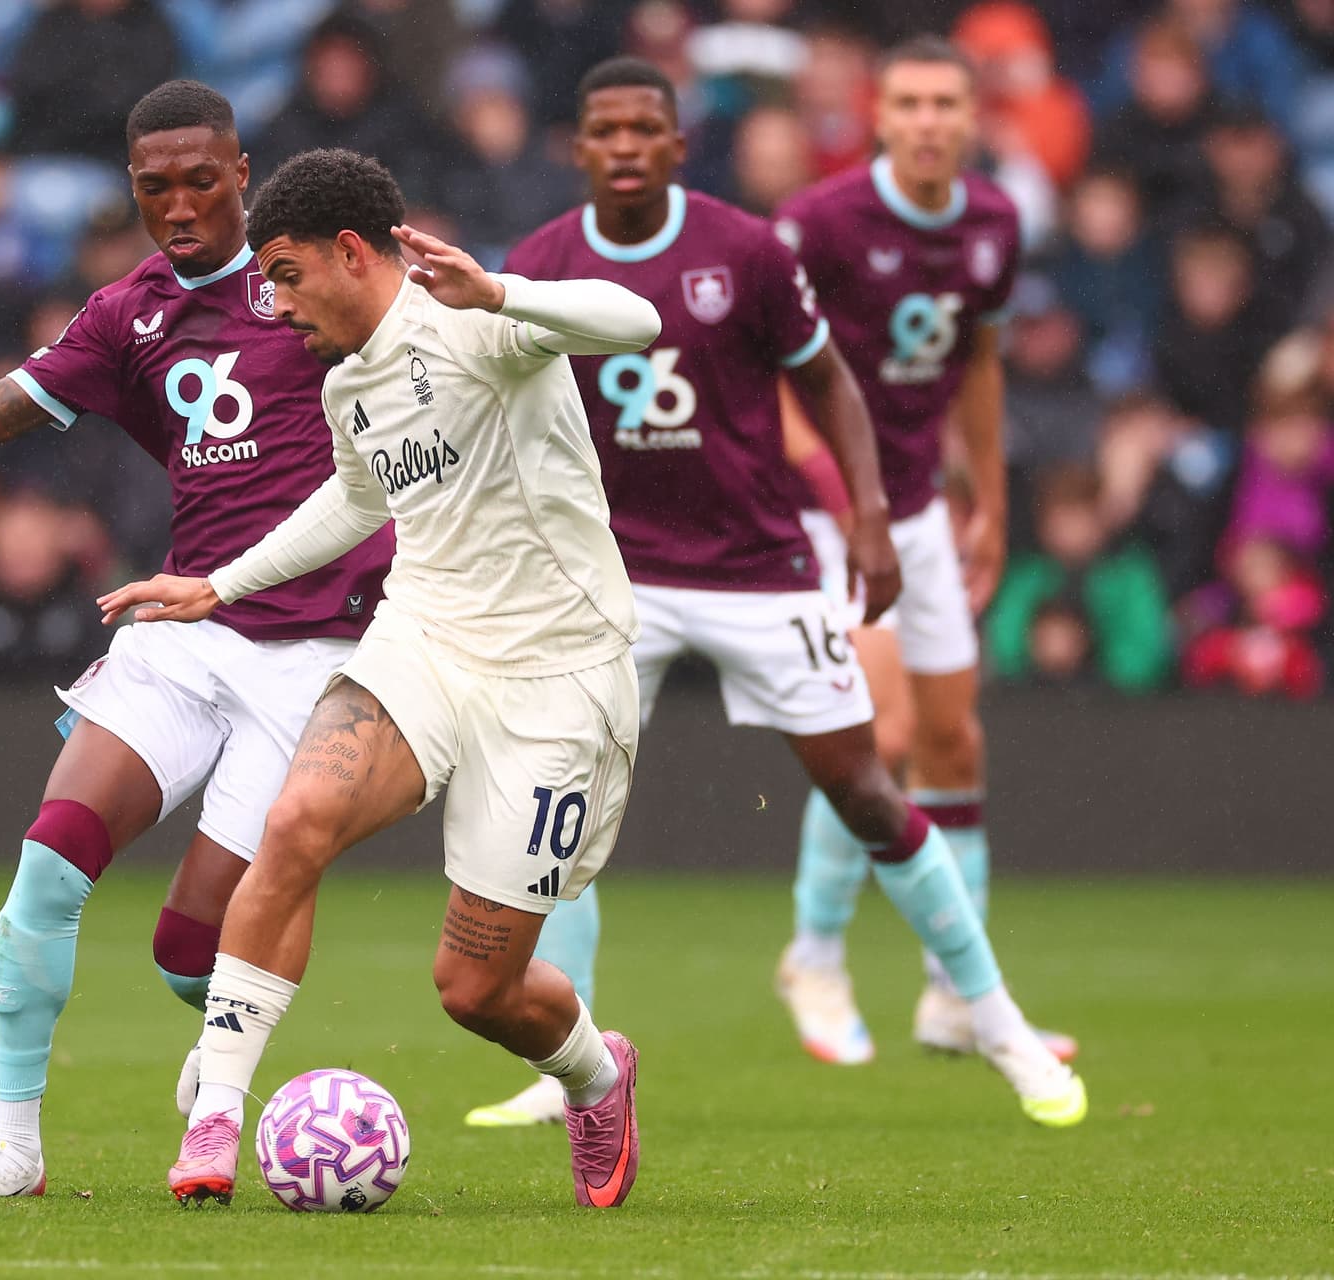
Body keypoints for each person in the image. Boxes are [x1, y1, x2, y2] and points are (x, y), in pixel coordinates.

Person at [463, 56, 1086, 1130]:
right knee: (553, 812)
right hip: (617, 578)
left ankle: (991, 1015)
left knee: (867, 781)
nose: (623, 147)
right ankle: (563, 1059)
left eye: (642, 130)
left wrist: (870, 511)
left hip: (759, 568)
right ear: (578, 149)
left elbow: (828, 378)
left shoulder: (743, 249)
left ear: (676, 144)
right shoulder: (541, 260)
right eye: (602, 130)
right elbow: (508, 416)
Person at [0, 82, 394, 1199]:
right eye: (152, 187)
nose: (176, 206)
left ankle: (225, 1047)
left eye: (198, 181)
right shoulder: (126, 313)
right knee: (47, 861)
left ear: (240, 171)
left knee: (191, 952)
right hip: (182, 625)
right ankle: (14, 1147)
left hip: (316, 652)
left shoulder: (315, 283)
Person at [98, 147, 660, 1209]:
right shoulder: (350, 381)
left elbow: (636, 321)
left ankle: (597, 1072)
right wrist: (217, 584)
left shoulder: (478, 322)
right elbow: (357, 505)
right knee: (299, 814)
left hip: (557, 676)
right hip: (424, 638)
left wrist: (504, 291)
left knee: (475, 988)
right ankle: (218, 1105)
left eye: (286, 273)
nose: (273, 301)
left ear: (350, 252)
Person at [773, 36, 1079, 1065]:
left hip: (917, 509)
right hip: (824, 510)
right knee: (884, 731)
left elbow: (979, 364)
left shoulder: (993, 222)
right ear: (880, 115)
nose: (930, 120)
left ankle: (954, 993)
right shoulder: (820, 221)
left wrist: (985, 497)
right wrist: (834, 490)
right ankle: (813, 952)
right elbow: (767, 366)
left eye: (948, 102)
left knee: (956, 742)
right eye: (909, 102)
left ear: (972, 115)